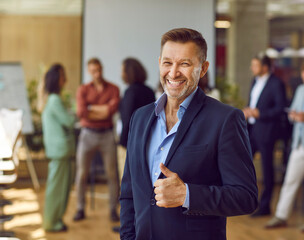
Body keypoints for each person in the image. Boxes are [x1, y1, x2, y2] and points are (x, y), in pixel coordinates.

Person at [119, 28, 258, 240]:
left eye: (184, 64)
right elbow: (129, 193)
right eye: (167, 63)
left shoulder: (225, 119)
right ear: (159, 64)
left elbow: (245, 197)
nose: (173, 73)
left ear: (203, 69)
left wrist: (187, 195)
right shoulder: (140, 117)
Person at [265, 62, 304, 232]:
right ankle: (281, 215)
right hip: (298, 144)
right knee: (290, 181)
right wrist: (293, 116)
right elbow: (292, 110)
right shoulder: (300, 90)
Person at [74, 58, 120, 222]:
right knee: (81, 174)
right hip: (87, 135)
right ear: (89, 71)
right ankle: (80, 208)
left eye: (99, 70)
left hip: (107, 135)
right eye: (94, 71)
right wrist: (103, 109)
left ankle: (113, 210)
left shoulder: (114, 88)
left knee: (112, 175)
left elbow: (111, 111)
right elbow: (81, 113)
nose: (97, 73)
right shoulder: (83, 90)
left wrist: (91, 108)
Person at [112, 58, 155, 233]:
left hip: (128, 145)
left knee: (128, 187)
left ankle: (129, 226)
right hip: (147, 144)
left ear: (129, 72)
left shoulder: (130, 92)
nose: (121, 74)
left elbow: (127, 120)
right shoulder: (149, 91)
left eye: (123, 70)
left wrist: (122, 143)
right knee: (143, 185)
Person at [243, 55, 286, 217]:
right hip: (251, 129)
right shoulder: (254, 81)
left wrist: (260, 113)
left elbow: (280, 108)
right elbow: (253, 102)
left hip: (267, 131)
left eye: (255, 65)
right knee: (244, 163)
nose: (252, 68)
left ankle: (265, 206)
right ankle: (245, 201)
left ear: (265, 67)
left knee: (267, 170)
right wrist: (248, 111)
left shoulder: (276, 83)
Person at [41, 64, 75, 232]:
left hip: (59, 151)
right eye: (62, 76)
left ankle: (55, 221)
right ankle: (51, 223)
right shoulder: (54, 99)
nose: (65, 79)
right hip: (60, 150)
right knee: (57, 190)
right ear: (56, 79)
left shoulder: (51, 98)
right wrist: (74, 114)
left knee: (58, 188)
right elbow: (68, 121)